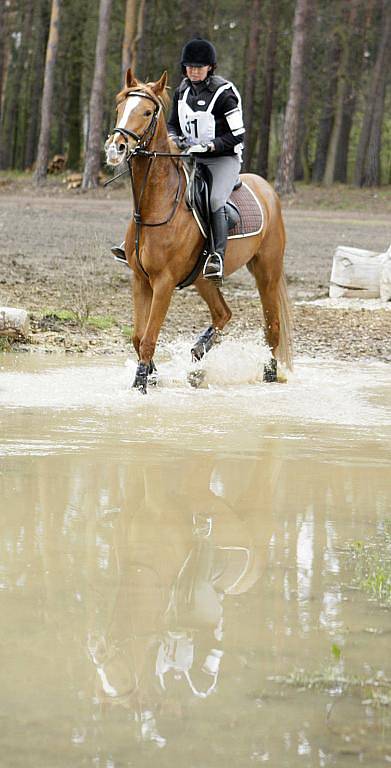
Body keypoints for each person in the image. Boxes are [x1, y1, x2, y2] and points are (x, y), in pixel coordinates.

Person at [167, 38, 245, 281]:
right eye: (190, 67)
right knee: (160, 187)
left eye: (199, 67)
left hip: (222, 159)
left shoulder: (224, 94)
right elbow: (172, 124)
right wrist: (173, 138)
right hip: (191, 158)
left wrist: (211, 145)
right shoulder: (181, 91)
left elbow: (237, 134)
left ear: (210, 67)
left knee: (213, 200)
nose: (194, 71)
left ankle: (216, 256)